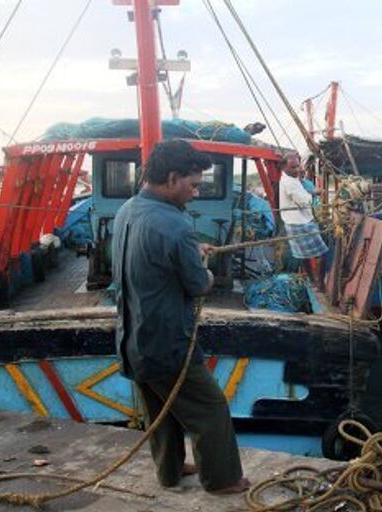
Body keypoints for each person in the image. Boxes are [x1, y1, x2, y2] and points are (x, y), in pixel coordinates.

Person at [112, 139, 249, 494]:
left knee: (161, 409)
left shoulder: (128, 210)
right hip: (167, 341)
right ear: (172, 178)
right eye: (193, 184)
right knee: (210, 409)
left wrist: (189, 252)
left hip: (133, 338)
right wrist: (201, 262)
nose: (196, 192)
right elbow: (198, 284)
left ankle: (169, 472)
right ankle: (222, 480)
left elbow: (156, 260)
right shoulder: (175, 224)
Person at [278, 153, 328, 287]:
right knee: (323, 253)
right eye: (293, 167)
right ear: (284, 168)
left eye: (298, 166)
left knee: (304, 256)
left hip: (297, 221)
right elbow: (304, 202)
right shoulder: (289, 183)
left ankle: (313, 281)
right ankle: (320, 284)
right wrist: (314, 193)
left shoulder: (292, 179)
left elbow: (302, 197)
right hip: (300, 223)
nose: (297, 169)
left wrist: (310, 193)